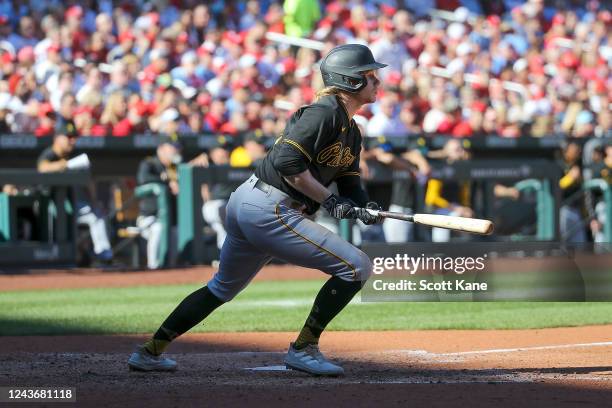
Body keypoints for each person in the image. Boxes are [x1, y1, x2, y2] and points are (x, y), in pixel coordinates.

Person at [128, 44, 386, 376]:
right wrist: (329, 201)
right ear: (350, 82)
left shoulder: (350, 130)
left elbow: (350, 181)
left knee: (220, 288)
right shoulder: (323, 113)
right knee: (357, 267)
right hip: (270, 206)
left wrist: (364, 208)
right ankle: (304, 348)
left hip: (254, 204)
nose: (377, 81)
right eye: (370, 76)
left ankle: (150, 351)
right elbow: (287, 163)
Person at [37, 120, 113, 263]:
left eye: (74, 137)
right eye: (68, 137)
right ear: (57, 138)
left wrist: (95, 202)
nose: (72, 141)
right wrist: (65, 165)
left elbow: (88, 182)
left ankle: (104, 255)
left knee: (96, 214)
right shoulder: (50, 154)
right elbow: (42, 168)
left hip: (71, 205)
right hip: (48, 205)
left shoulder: (74, 155)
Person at [135, 135, 182, 270]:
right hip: (148, 218)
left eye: (176, 147)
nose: (175, 150)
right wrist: (167, 182)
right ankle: (153, 267)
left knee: (177, 233)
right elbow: (143, 178)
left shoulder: (175, 167)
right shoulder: (149, 164)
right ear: (161, 149)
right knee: (158, 228)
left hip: (171, 219)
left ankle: (171, 271)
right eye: (171, 147)